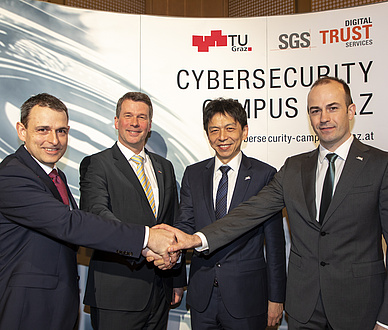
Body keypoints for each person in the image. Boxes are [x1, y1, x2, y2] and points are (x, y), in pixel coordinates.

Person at [159, 77, 388, 330]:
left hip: (359, 307)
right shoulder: (294, 167)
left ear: (351, 111)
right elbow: (248, 213)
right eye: (315, 110)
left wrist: (385, 318)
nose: (323, 117)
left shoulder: (380, 165)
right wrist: (196, 239)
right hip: (304, 310)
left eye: (332, 107)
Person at [0, 93, 176, 330]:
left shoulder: (55, 176)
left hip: (59, 301)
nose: (54, 140)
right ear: (22, 131)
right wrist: (147, 238)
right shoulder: (12, 174)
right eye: (43, 130)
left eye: (61, 131)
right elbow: (73, 224)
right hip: (28, 306)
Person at [173, 98, 286, 329]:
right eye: (214, 130)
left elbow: (275, 246)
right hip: (202, 296)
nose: (222, 137)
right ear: (207, 135)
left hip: (247, 297)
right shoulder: (193, 174)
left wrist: (276, 298)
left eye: (229, 128)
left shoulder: (264, 175)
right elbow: (185, 225)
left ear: (244, 131)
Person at [79, 92, 186, 330]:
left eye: (142, 117)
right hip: (116, 294)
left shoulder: (164, 167)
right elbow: (97, 217)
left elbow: (173, 222)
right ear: (117, 121)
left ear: (149, 125)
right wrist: (145, 243)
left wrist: (177, 279)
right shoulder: (96, 164)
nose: (135, 123)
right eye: (128, 116)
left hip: (160, 292)